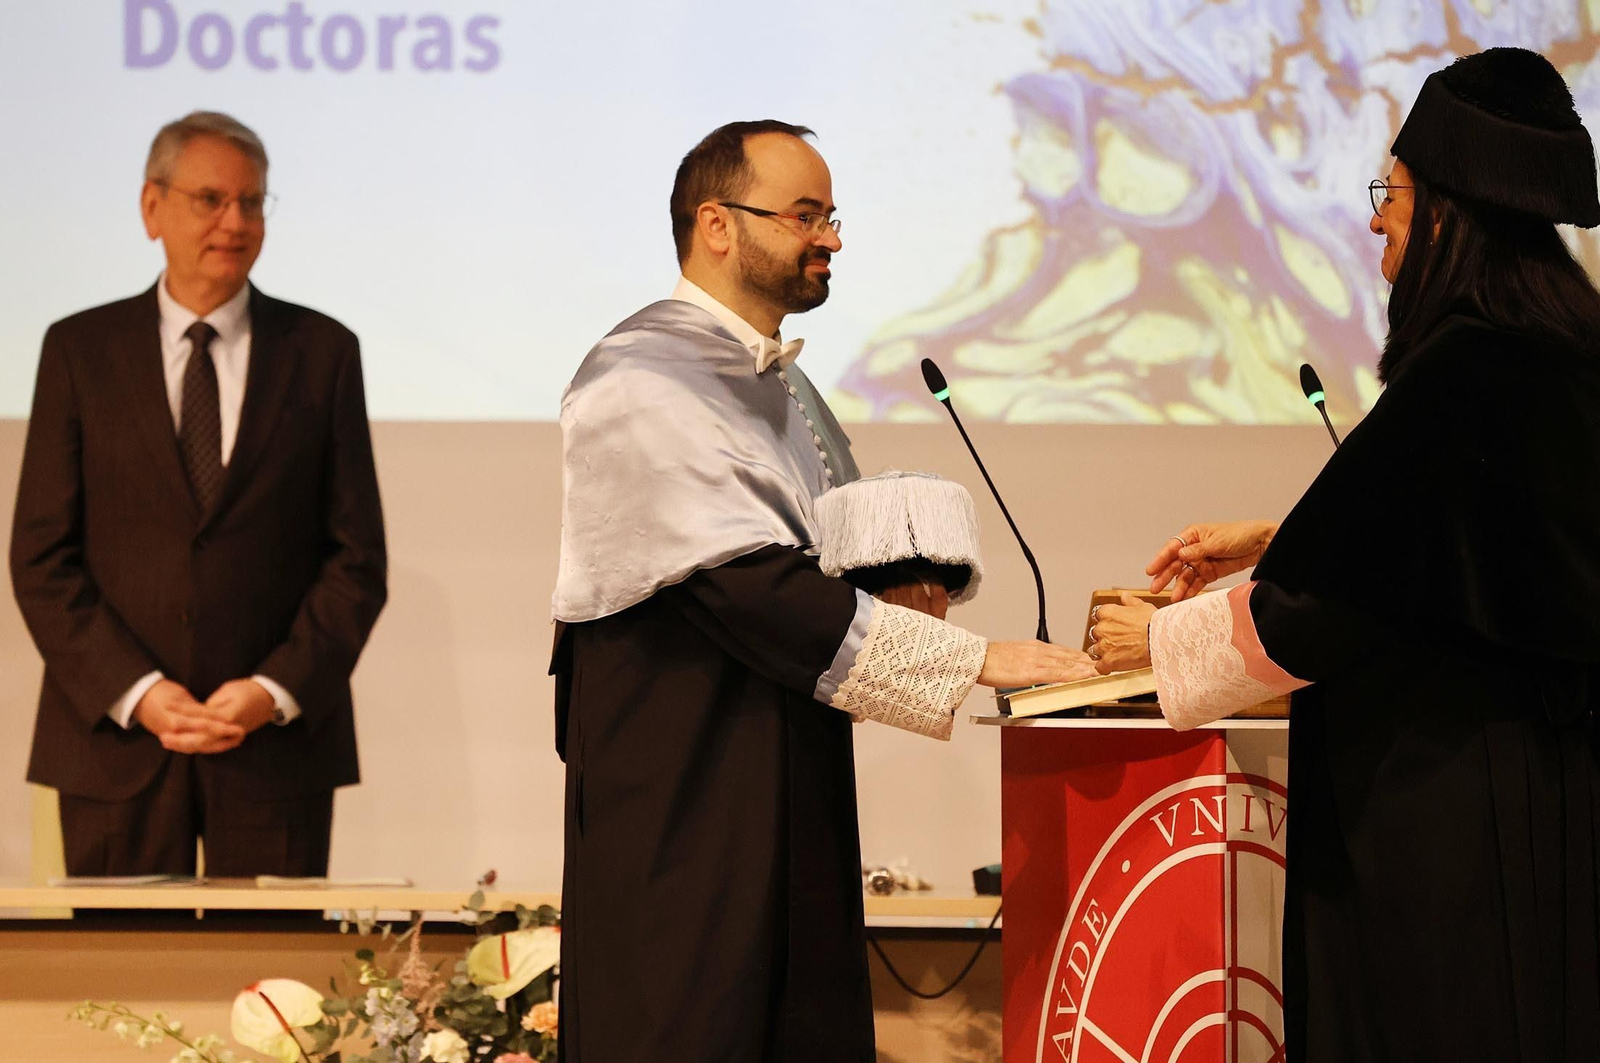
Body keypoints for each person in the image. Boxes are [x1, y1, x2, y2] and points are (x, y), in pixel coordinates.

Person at [1089, 49, 1600, 1062]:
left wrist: (1159, 642)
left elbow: (1330, 604)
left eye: (1392, 195)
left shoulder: (1460, 368)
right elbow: (1491, 551)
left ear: (1449, 213)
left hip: (1441, 825)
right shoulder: (1570, 356)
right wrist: (1278, 536)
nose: (1374, 222)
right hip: (1565, 808)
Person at [550, 120, 1091, 1062]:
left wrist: (907, 573)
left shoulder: (779, 384)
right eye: (806, 215)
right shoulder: (643, 374)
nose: (832, 238)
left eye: (832, 216)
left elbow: (804, 556)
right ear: (716, 225)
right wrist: (971, 659)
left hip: (779, 773)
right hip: (687, 795)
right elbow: (741, 583)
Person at [10, 111, 388, 879]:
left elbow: (356, 560)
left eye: (253, 203)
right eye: (210, 199)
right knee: (114, 997)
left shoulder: (323, 353)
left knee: (277, 995)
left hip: (273, 752)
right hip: (115, 747)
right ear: (152, 208)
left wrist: (272, 689)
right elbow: (42, 557)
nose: (235, 222)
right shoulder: (78, 350)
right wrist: (140, 692)